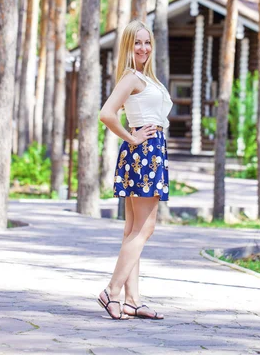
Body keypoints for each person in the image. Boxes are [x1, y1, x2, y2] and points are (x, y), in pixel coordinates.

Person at [97, 20, 173, 320]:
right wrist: (133, 137)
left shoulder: (145, 77)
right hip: (144, 152)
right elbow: (106, 114)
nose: (143, 48)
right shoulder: (130, 77)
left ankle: (132, 300)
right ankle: (111, 291)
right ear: (128, 47)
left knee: (132, 230)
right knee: (145, 228)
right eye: (137, 43)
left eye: (147, 42)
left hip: (147, 152)